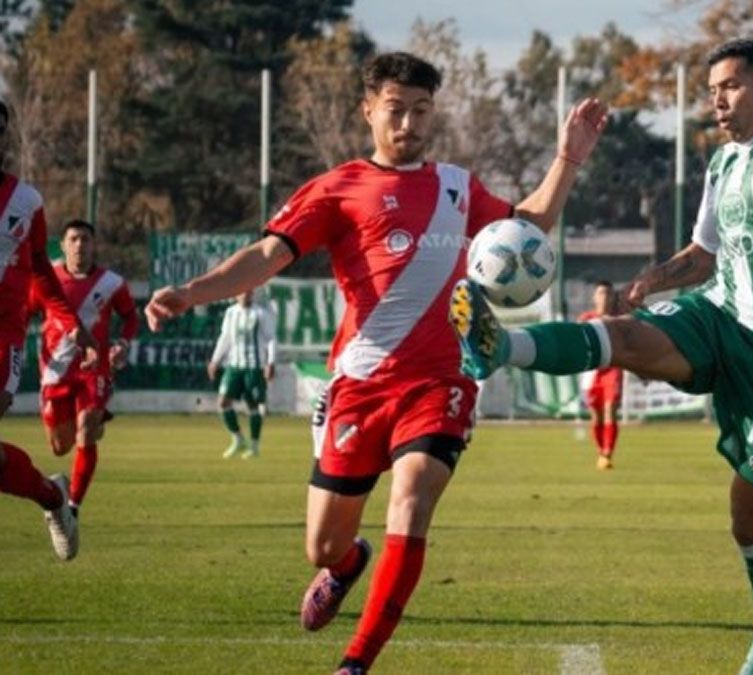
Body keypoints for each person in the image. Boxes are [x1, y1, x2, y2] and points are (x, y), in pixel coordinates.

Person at [145, 52, 606, 674]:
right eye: (397, 109)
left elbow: (529, 226)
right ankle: (347, 564)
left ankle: (356, 662)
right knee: (322, 545)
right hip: (359, 387)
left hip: (441, 381)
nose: (410, 123)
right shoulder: (337, 188)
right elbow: (266, 256)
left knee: (412, 498)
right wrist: (192, 293)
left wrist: (568, 159)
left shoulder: (456, 186)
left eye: (422, 110)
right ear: (369, 110)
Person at [454, 38, 753, 674]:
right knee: (620, 335)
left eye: (728, 86)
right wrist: (655, 278)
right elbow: (704, 255)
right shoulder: (724, 164)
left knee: (750, 519)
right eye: (711, 92)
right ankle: (500, 345)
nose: (717, 101)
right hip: (722, 314)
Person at [0, 99, 97, 561]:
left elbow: (42, 270)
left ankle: (54, 499)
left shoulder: (25, 202)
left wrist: (70, 321)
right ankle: (52, 497)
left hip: (3, 333)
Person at [28, 219, 137, 521]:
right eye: (73, 239)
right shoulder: (46, 279)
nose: (80, 245)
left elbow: (130, 317)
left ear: (94, 244)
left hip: (94, 368)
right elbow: (24, 311)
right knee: (60, 447)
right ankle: (96, 422)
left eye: (85, 239)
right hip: (54, 370)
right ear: (62, 245)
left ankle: (73, 507)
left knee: (86, 428)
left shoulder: (112, 283)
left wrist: (123, 344)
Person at [207, 288, 276, 459]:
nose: (246, 294)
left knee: (253, 405)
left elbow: (271, 338)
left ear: (252, 294)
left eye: (249, 292)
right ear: (236, 294)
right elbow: (225, 338)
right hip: (234, 365)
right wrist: (215, 360)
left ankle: (254, 446)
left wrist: (270, 362)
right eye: (242, 292)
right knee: (223, 402)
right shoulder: (231, 313)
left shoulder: (261, 314)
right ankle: (238, 439)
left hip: (254, 366)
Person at [577, 280, 623, 469]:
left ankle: (607, 454)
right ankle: (601, 451)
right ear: (594, 297)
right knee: (596, 416)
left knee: (610, 409)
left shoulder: (620, 319)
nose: (605, 297)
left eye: (609, 293)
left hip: (613, 369)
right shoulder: (586, 318)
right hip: (592, 371)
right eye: (601, 293)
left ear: (613, 298)